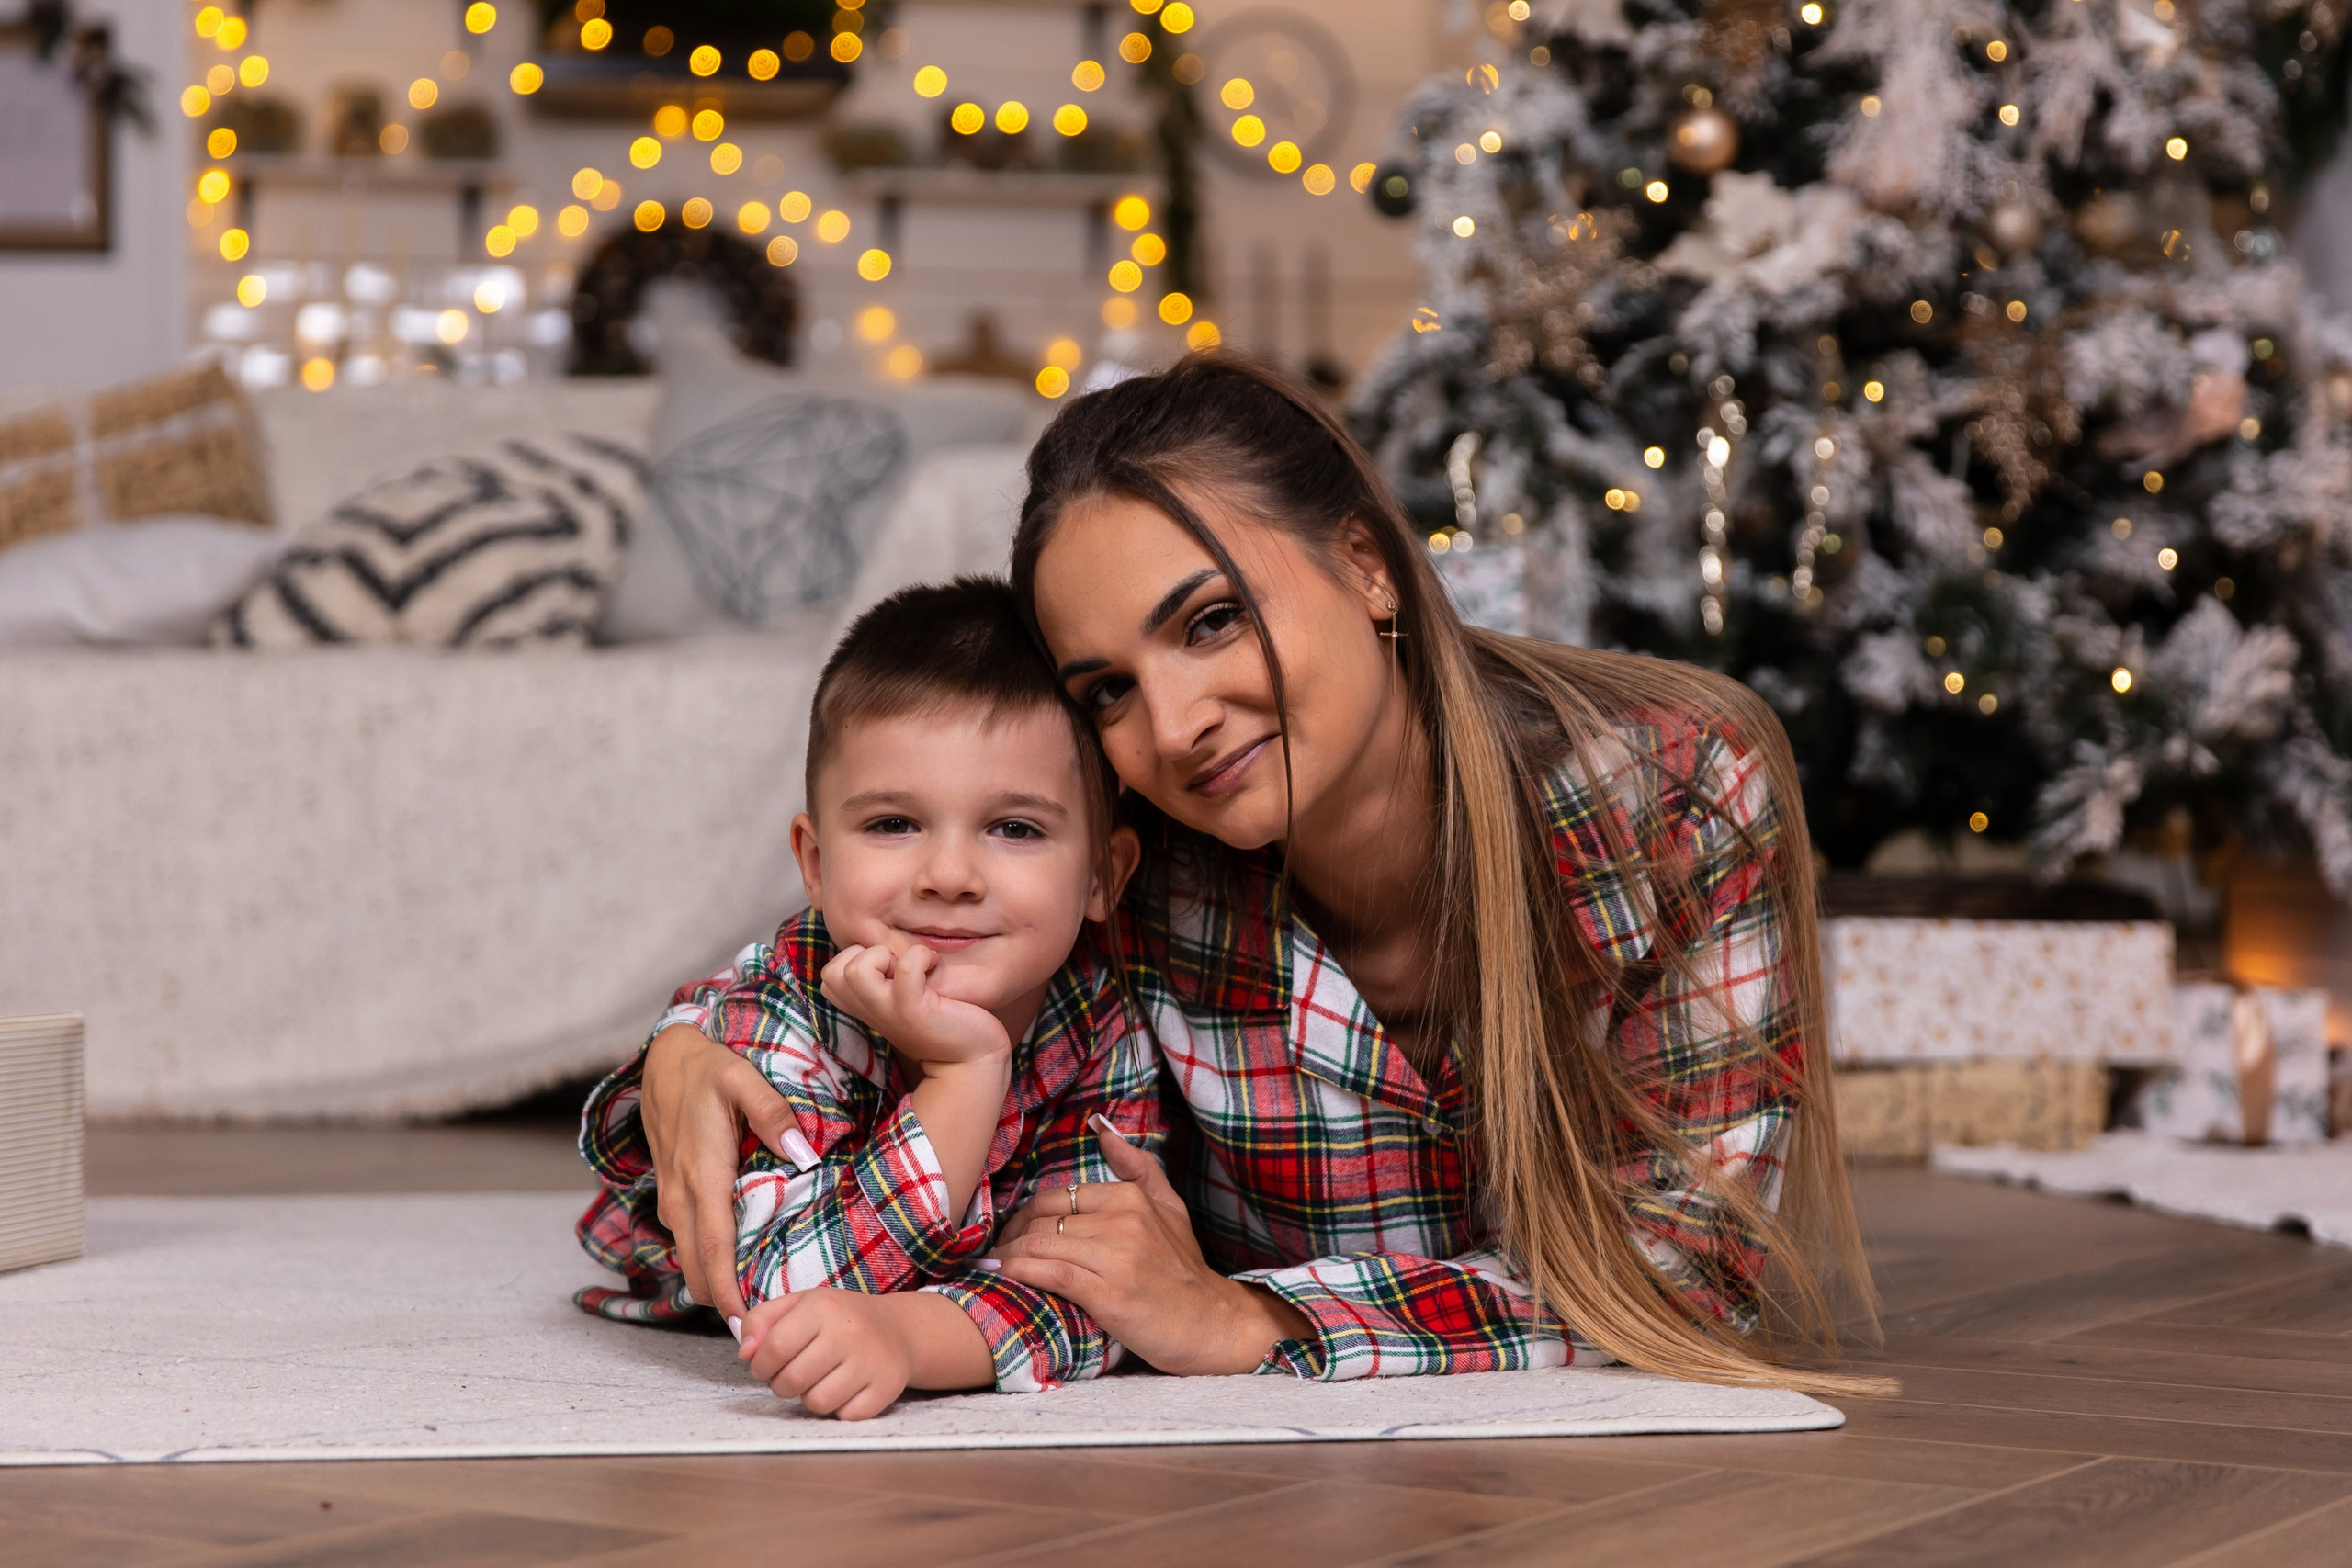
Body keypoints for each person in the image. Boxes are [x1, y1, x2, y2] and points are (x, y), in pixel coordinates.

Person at [637, 353, 1877, 1394]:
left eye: (1211, 619)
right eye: (1107, 689)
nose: (1172, 725)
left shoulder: (1670, 796)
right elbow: (884, 909)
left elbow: (1684, 1269)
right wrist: (690, 1039)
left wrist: (1260, 1322)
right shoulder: (1141, 857)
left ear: (1367, 564)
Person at [573, 578, 1158, 1419]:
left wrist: (906, 1337)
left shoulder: (1103, 1023)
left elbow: (1103, 1293)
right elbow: (776, 1292)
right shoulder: (785, 1005)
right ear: (815, 862)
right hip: (692, 1258)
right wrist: (964, 1075)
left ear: (1103, 875)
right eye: (893, 824)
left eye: (1015, 828)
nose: (949, 877)